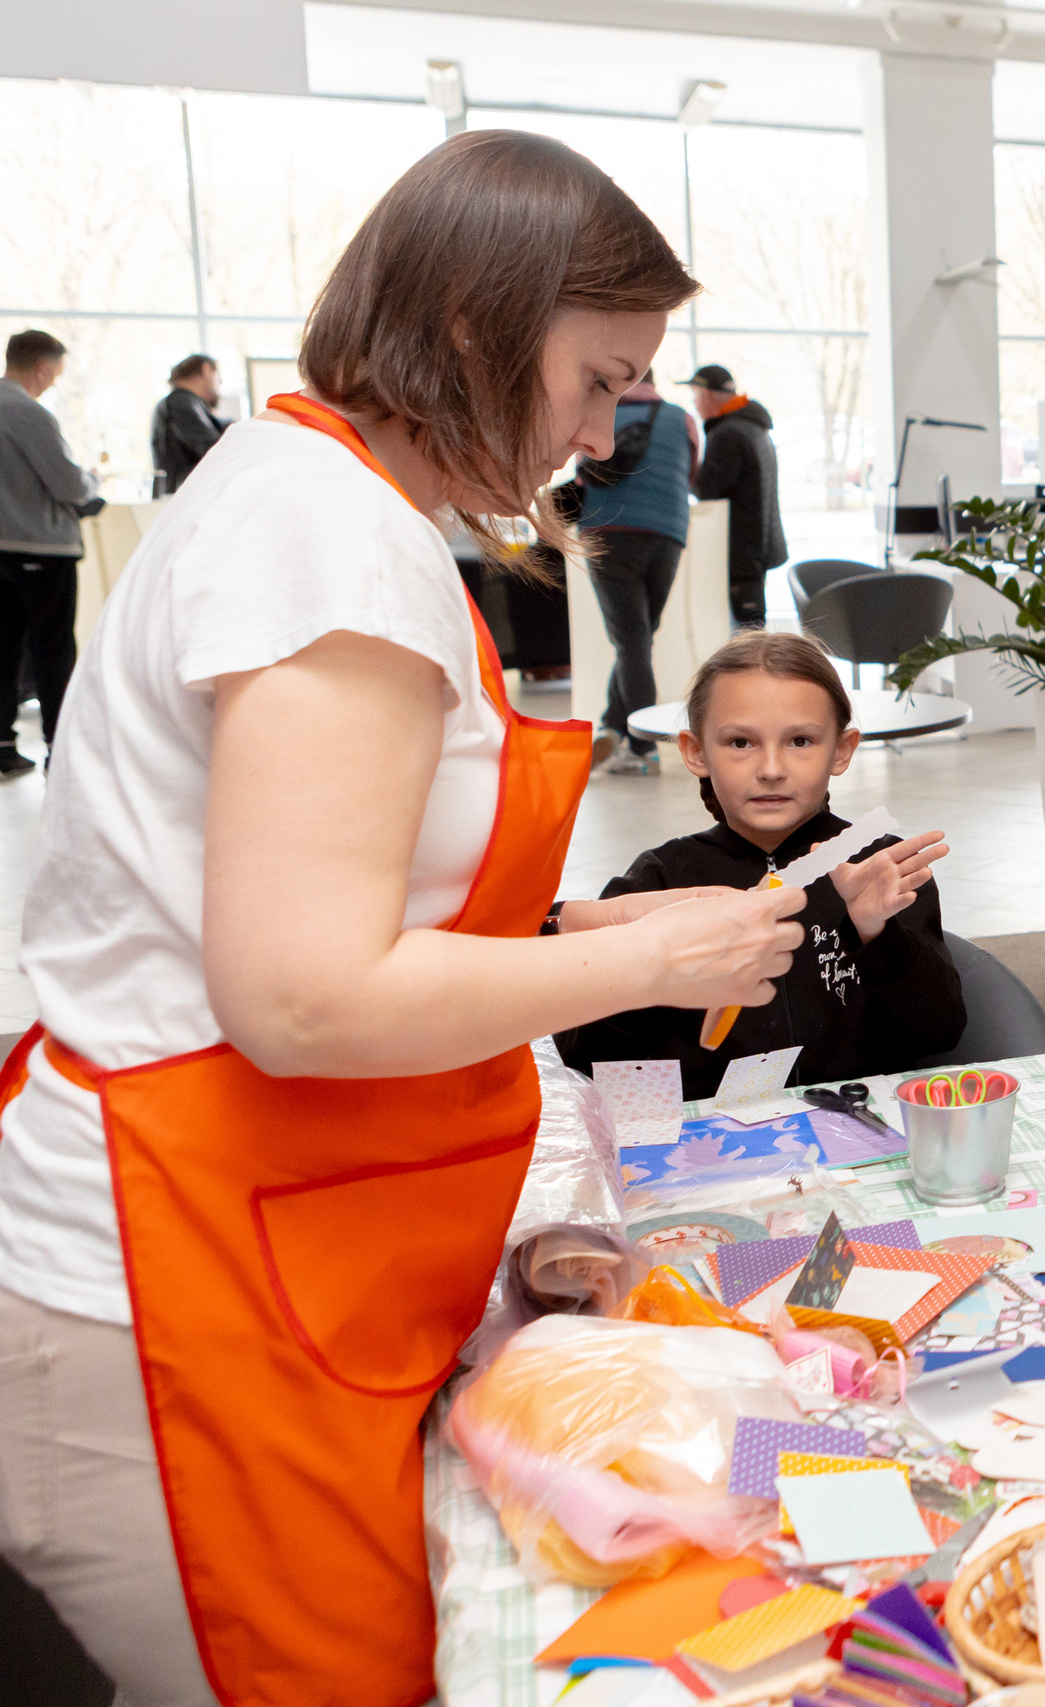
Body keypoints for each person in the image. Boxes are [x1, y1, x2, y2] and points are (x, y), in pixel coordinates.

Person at [0, 132, 806, 1707]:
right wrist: (648, 952)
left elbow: (363, 882)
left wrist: (563, 925)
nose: (595, 434)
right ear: (465, 328)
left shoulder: (326, 496)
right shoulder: (331, 536)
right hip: (184, 1274)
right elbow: (303, 990)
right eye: (592, 379)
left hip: (287, 1236)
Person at [556, 631, 963, 1098]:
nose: (771, 768)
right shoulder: (657, 881)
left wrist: (877, 933)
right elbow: (583, 1059)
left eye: (800, 740)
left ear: (843, 749)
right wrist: (647, 961)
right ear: (695, 751)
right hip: (717, 1149)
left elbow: (939, 1034)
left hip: (862, 1132)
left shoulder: (885, 867)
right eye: (741, 742)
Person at [576, 365, 702, 775]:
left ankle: (642, 747)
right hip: (667, 534)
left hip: (609, 533)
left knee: (631, 641)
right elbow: (691, 475)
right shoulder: (680, 418)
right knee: (638, 638)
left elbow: (582, 473)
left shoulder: (596, 415)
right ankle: (612, 727)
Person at [0, 329, 103, 776]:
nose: (54, 383)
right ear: (41, 367)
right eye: (55, 374)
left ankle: (3, 745)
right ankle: (58, 750)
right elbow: (67, 483)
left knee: (4, 649)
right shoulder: (27, 412)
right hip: (41, 548)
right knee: (53, 649)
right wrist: (94, 481)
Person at [684, 363, 787, 630]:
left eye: (695, 396)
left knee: (746, 642)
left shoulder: (728, 434)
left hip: (741, 556)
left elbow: (707, 490)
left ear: (706, 396)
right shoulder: (753, 426)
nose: (695, 405)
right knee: (751, 636)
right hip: (756, 551)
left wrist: (684, 470)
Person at [149, 354, 228, 496]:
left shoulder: (178, 404)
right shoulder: (180, 402)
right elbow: (213, 449)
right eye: (219, 380)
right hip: (190, 499)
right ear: (206, 370)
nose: (219, 387)